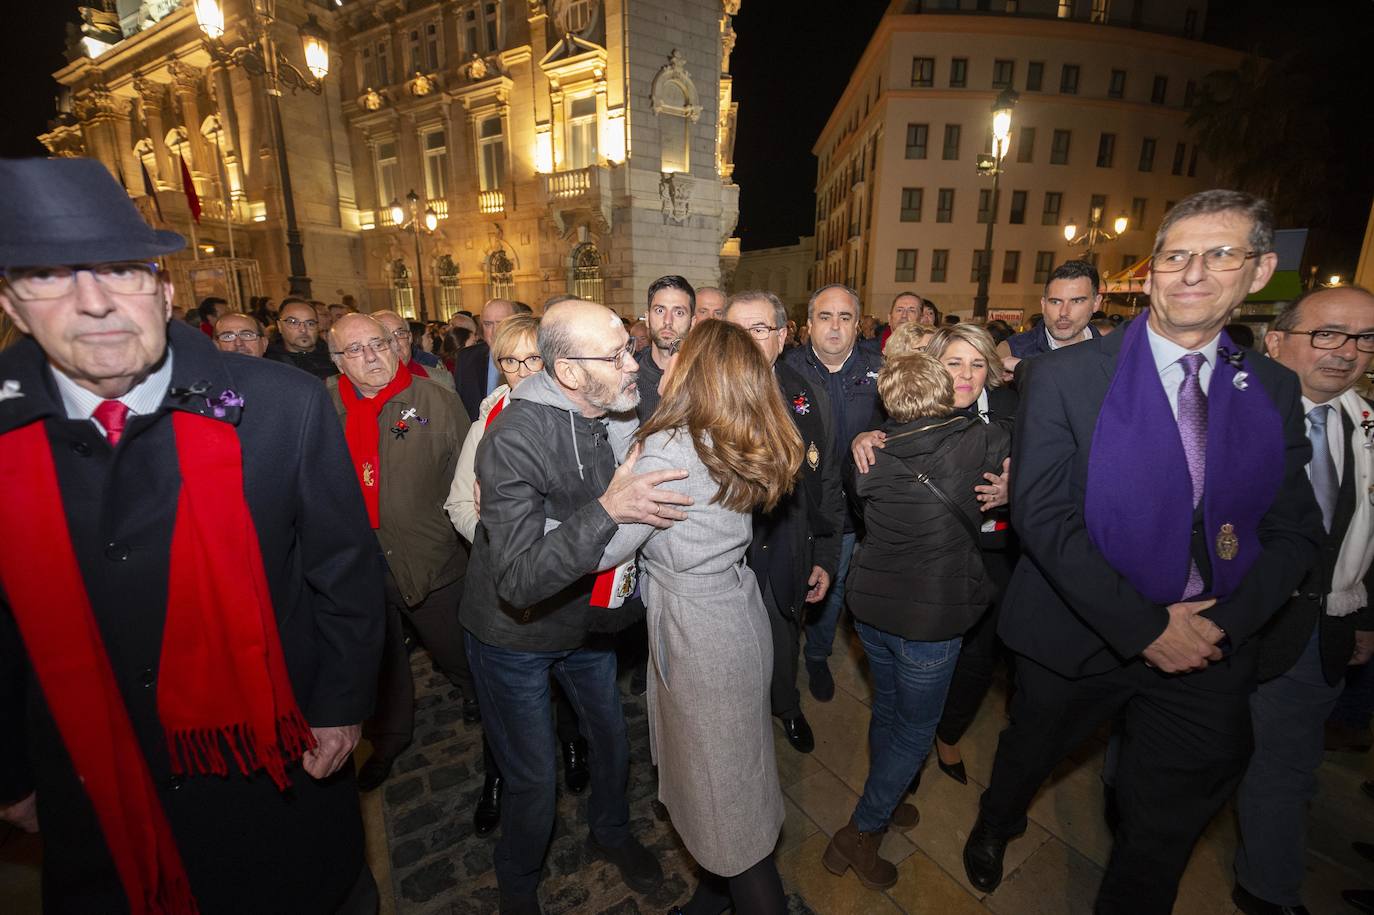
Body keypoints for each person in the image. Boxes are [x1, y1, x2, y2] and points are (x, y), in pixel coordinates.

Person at [0, 157, 384, 913]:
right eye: (49, 275)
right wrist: (11, 769)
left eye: (120, 270)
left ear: (164, 287)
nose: (95, 303)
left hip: (274, 777)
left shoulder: (281, 406)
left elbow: (344, 565)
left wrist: (341, 703)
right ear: (13, 305)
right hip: (92, 787)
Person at [962, 189, 1325, 913]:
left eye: (1219, 254)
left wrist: (1217, 625)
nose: (1193, 273)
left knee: (1162, 829)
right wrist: (1147, 627)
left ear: (1257, 272)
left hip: (1207, 647)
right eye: (1175, 255)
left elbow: (1294, 531)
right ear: (1152, 270)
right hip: (1078, 630)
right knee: (1029, 751)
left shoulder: (1273, 389)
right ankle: (995, 825)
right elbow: (1043, 514)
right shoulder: (1066, 376)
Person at [460, 299, 692, 913]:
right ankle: (518, 881)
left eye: (629, 349)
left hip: (586, 625)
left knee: (612, 739)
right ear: (568, 373)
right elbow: (516, 577)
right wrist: (608, 510)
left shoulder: (608, 406)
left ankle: (611, 831)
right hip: (513, 635)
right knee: (533, 778)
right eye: (615, 357)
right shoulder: (513, 438)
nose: (632, 365)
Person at [598, 319, 804, 914]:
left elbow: (608, 547)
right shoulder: (735, 430)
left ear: (694, 371)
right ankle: (711, 899)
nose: (663, 363)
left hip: (697, 634)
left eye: (677, 356)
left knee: (730, 813)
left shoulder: (666, 448)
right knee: (728, 777)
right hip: (735, 613)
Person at [824, 350, 1010, 888]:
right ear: (943, 389)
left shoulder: (869, 456)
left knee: (888, 710)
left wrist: (869, 433)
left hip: (871, 610)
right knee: (915, 729)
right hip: (931, 619)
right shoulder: (978, 440)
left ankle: (888, 794)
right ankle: (863, 829)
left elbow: (862, 505)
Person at [1231, 285, 1374, 915]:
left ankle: (1267, 889)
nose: (1347, 351)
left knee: (1288, 768)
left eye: (1365, 337)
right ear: (1277, 339)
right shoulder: (1219, 412)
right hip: (1220, 622)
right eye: (1329, 333)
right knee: (1180, 753)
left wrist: (1363, 614)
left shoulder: (1367, 428)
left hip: (1320, 626)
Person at [853, 325, 1016, 788]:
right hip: (929, 592)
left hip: (991, 562)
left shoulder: (1010, 410)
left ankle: (943, 740)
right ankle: (893, 785)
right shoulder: (905, 420)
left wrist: (1015, 488)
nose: (966, 376)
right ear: (933, 372)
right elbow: (871, 472)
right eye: (954, 364)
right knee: (905, 710)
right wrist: (859, 439)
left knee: (977, 664)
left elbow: (1053, 461)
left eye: (978, 364)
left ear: (993, 370)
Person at [444, 314, 589, 835]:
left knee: (568, 683)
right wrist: (500, 539)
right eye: (511, 360)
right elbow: (460, 503)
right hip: (504, 590)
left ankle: (573, 746)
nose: (523, 371)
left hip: (565, 587)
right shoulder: (486, 425)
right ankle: (498, 778)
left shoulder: (580, 422)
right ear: (498, 366)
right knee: (504, 700)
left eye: (534, 359)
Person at [324, 314, 472, 793]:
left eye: (378, 344)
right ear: (337, 361)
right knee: (381, 665)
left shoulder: (437, 403)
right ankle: (387, 739)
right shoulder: (322, 408)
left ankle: (478, 698)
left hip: (432, 561)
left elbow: (471, 484)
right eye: (354, 350)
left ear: (396, 344)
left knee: (458, 651)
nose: (370, 357)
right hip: (356, 567)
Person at [727, 291, 843, 754]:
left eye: (758, 330)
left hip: (789, 544)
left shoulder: (807, 392)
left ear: (781, 336)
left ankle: (786, 705)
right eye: (736, 331)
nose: (747, 341)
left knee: (782, 638)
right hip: (728, 557)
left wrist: (826, 555)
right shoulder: (702, 396)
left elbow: (828, 478)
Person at [784, 283, 884, 701]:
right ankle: (786, 665)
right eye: (825, 317)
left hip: (859, 508)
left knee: (835, 586)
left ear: (858, 325)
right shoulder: (786, 369)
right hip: (798, 505)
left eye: (845, 317)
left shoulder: (882, 368)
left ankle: (817, 656)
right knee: (792, 587)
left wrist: (881, 435)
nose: (835, 326)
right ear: (808, 325)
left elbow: (905, 421)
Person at [997, 260, 1104, 374]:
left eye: (1076, 301)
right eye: (1055, 302)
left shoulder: (1115, 357)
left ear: (1096, 303)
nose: (1063, 312)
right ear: (1043, 305)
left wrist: (1029, 369)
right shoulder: (1011, 351)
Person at [637, 275, 694, 423]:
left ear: (692, 323)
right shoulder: (626, 376)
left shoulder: (708, 379)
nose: (668, 321)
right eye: (660, 311)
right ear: (647, 318)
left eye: (679, 312)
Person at [454, 298, 515, 420]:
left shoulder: (533, 360)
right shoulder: (466, 358)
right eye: (488, 324)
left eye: (501, 323)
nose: (494, 331)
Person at [266, 297, 336, 380]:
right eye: (293, 322)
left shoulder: (335, 358)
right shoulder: (269, 365)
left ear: (317, 326)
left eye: (310, 323)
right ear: (280, 326)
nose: (303, 329)